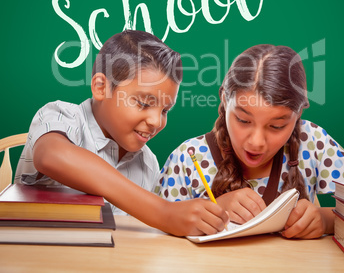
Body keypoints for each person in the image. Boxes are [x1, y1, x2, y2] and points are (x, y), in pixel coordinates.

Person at [15, 30, 228, 237]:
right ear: (101, 87)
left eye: (165, 110)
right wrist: (163, 212)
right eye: (144, 103)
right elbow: (51, 156)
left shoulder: (148, 163)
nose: (156, 121)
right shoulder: (61, 116)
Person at [154, 44, 344, 239]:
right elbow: (155, 234)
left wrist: (327, 220)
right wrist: (212, 211)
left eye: (277, 126)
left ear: (297, 116)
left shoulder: (313, 142)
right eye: (243, 120)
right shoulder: (186, 159)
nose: (257, 142)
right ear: (224, 101)